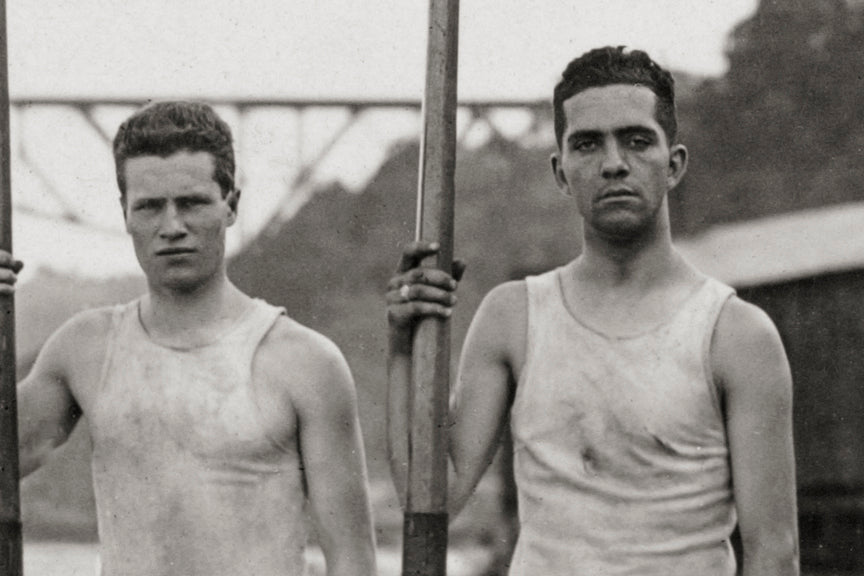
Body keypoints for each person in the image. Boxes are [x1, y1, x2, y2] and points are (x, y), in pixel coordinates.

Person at [386, 47, 799, 575]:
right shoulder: (515, 317)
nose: (613, 163)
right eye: (587, 144)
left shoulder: (735, 334)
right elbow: (431, 495)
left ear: (673, 164)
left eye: (636, 140)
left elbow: (774, 552)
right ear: (560, 172)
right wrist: (402, 346)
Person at [1, 101, 377, 576]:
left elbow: (353, 561)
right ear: (125, 214)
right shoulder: (87, 349)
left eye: (193, 203)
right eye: (150, 207)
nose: (172, 227)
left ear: (231, 206)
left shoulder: (304, 362)